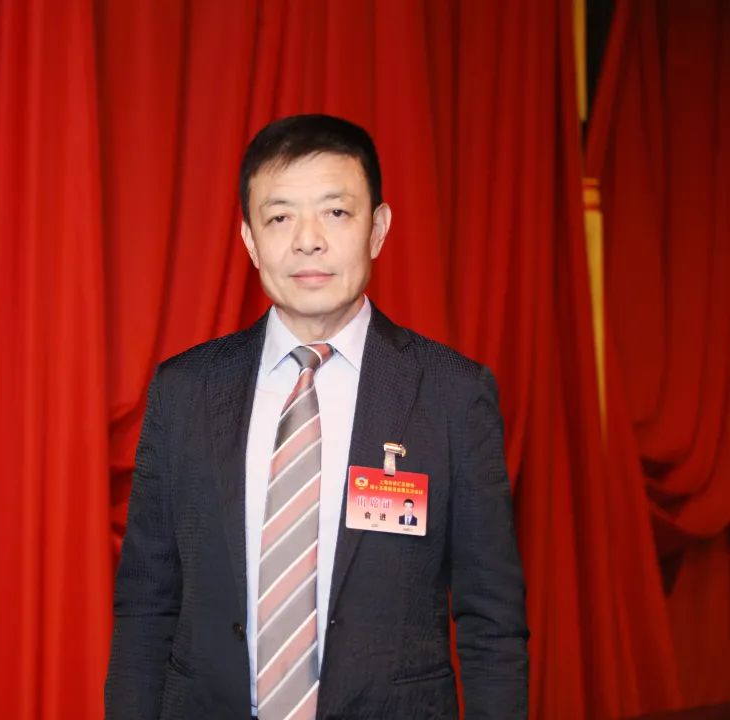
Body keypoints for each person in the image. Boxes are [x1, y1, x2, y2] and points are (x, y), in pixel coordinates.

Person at [105, 114, 528, 719]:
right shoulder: (185, 391)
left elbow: (492, 621)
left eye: (335, 212)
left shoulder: (451, 394)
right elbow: (146, 604)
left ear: (377, 229)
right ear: (250, 240)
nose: (308, 240)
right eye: (280, 218)